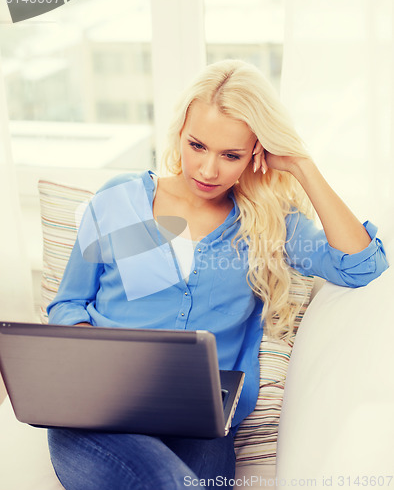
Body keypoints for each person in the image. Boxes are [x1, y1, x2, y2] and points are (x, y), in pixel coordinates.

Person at [46, 59, 388, 490]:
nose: (208, 170)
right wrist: (93, 359)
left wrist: (301, 164)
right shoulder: (119, 199)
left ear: (257, 153)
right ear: (179, 134)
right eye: (197, 146)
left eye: (231, 155)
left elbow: (361, 265)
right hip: (99, 413)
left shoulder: (268, 223)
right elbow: (68, 302)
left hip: (202, 424)